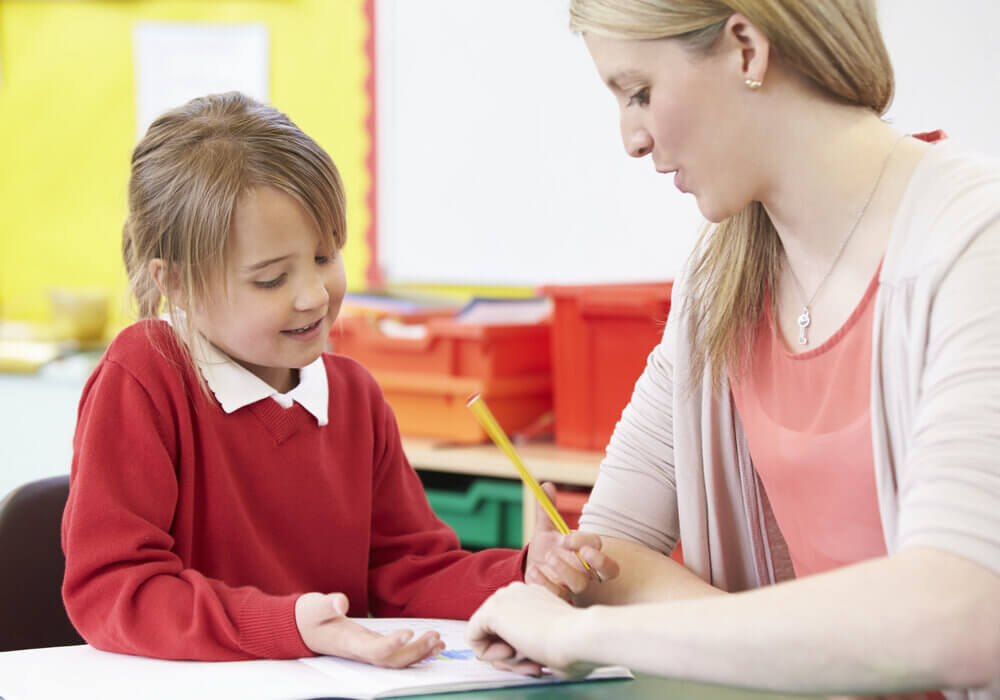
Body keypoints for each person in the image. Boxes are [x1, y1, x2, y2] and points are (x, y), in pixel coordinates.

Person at [467, 1, 1000, 698]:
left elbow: (961, 615)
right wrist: (803, 654)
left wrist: (585, 638)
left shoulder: (973, 243)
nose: (631, 137)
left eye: (640, 93)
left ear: (746, 48)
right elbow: (606, 555)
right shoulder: (721, 278)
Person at [60, 92, 579, 666]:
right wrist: (289, 625)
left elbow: (406, 572)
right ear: (176, 283)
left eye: (326, 257)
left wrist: (523, 572)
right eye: (270, 279)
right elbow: (115, 590)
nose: (313, 296)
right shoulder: (145, 375)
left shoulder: (353, 393)